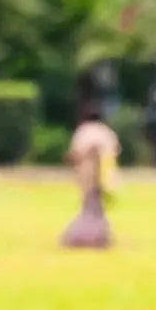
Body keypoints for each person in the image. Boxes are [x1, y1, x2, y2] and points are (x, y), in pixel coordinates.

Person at [60, 101, 120, 248]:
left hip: (88, 174)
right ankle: (99, 235)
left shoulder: (84, 131)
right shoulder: (106, 132)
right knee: (97, 207)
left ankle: (86, 236)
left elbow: (77, 153)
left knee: (89, 204)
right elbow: (114, 151)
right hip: (104, 175)